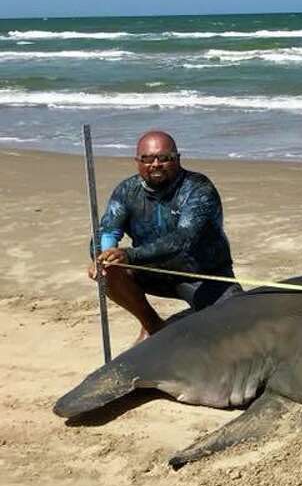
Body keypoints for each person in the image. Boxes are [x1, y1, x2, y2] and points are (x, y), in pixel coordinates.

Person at [89, 130, 240, 341]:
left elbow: (184, 238)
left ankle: (194, 318)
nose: (156, 164)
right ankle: (152, 325)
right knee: (110, 270)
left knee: (235, 322)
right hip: (151, 271)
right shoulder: (126, 190)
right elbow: (107, 230)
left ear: (177, 159)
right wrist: (105, 257)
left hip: (201, 275)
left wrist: (130, 255)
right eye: (148, 159)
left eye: (164, 158)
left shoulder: (198, 188)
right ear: (137, 161)